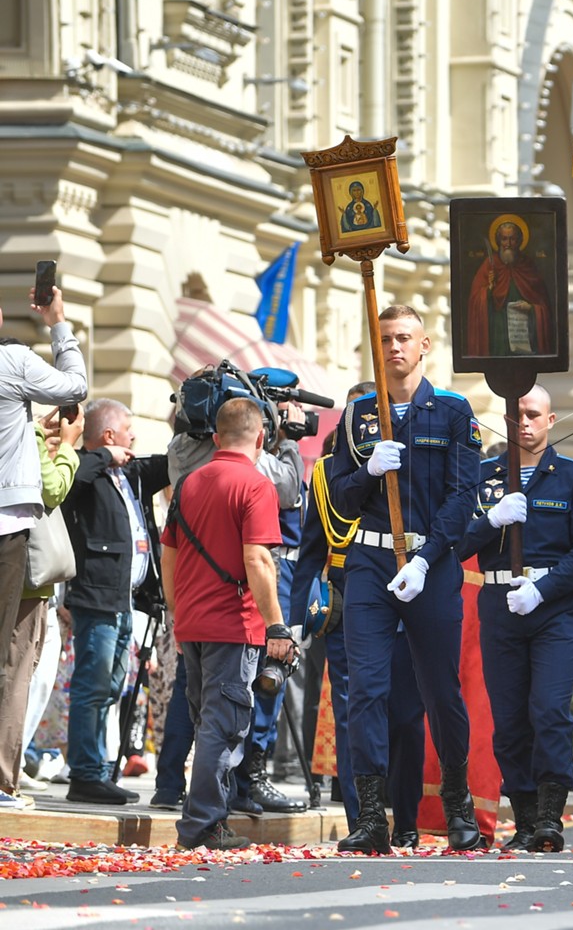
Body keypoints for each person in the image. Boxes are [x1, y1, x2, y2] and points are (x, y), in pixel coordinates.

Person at [325, 305, 482, 854]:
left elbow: (464, 496)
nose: (395, 347)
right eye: (386, 338)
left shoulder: (455, 412)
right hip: (368, 563)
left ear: (424, 345)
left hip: (431, 565)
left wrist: (426, 557)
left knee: (440, 690)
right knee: (366, 691)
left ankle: (459, 804)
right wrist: (367, 472)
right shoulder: (357, 416)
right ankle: (371, 815)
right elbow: (338, 493)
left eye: (404, 338)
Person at [461, 386, 573, 852]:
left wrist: (542, 589)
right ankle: (523, 819)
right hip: (500, 605)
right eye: (516, 413)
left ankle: (549, 817)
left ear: (550, 419)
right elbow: (458, 543)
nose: (523, 422)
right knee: (509, 720)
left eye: (532, 414)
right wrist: (491, 522)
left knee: (549, 710)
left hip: (554, 610)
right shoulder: (483, 477)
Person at [286, 391, 428, 843]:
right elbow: (310, 549)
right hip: (348, 598)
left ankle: (406, 819)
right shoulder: (327, 474)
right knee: (353, 711)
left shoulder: (411, 464)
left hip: (404, 593)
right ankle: (362, 819)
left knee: (406, 712)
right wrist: (293, 620)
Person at [158, 398, 293, 850]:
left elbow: (169, 557)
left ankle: (203, 819)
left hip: (194, 623)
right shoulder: (256, 486)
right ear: (261, 438)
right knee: (224, 726)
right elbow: (257, 558)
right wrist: (276, 625)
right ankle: (202, 825)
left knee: (206, 723)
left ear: (216, 438)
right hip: (234, 626)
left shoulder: (189, 483)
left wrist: (179, 617)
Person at [0, 286, 86, 810]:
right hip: (6, 526)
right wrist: (57, 321)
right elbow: (75, 384)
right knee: (11, 658)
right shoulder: (11, 361)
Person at [63, 400, 169, 805]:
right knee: (92, 687)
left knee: (110, 688)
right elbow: (71, 485)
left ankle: (98, 769)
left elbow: (167, 461)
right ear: (109, 436)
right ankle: (86, 774)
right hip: (97, 598)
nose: (134, 438)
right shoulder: (85, 467)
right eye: (128, 430)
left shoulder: (130, 474)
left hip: (126, 602)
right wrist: (104, 456)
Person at [466, 220, 551, 358]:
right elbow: (475, 300)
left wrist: (531, 308)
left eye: (513, 239)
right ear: (499, 241)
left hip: (523, 331)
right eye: (504, 239)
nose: (508, 244)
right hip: (498, 333)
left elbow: (544, 306)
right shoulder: (489, 265)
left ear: (519, 241)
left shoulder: (528, 266)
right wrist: (489, 289)